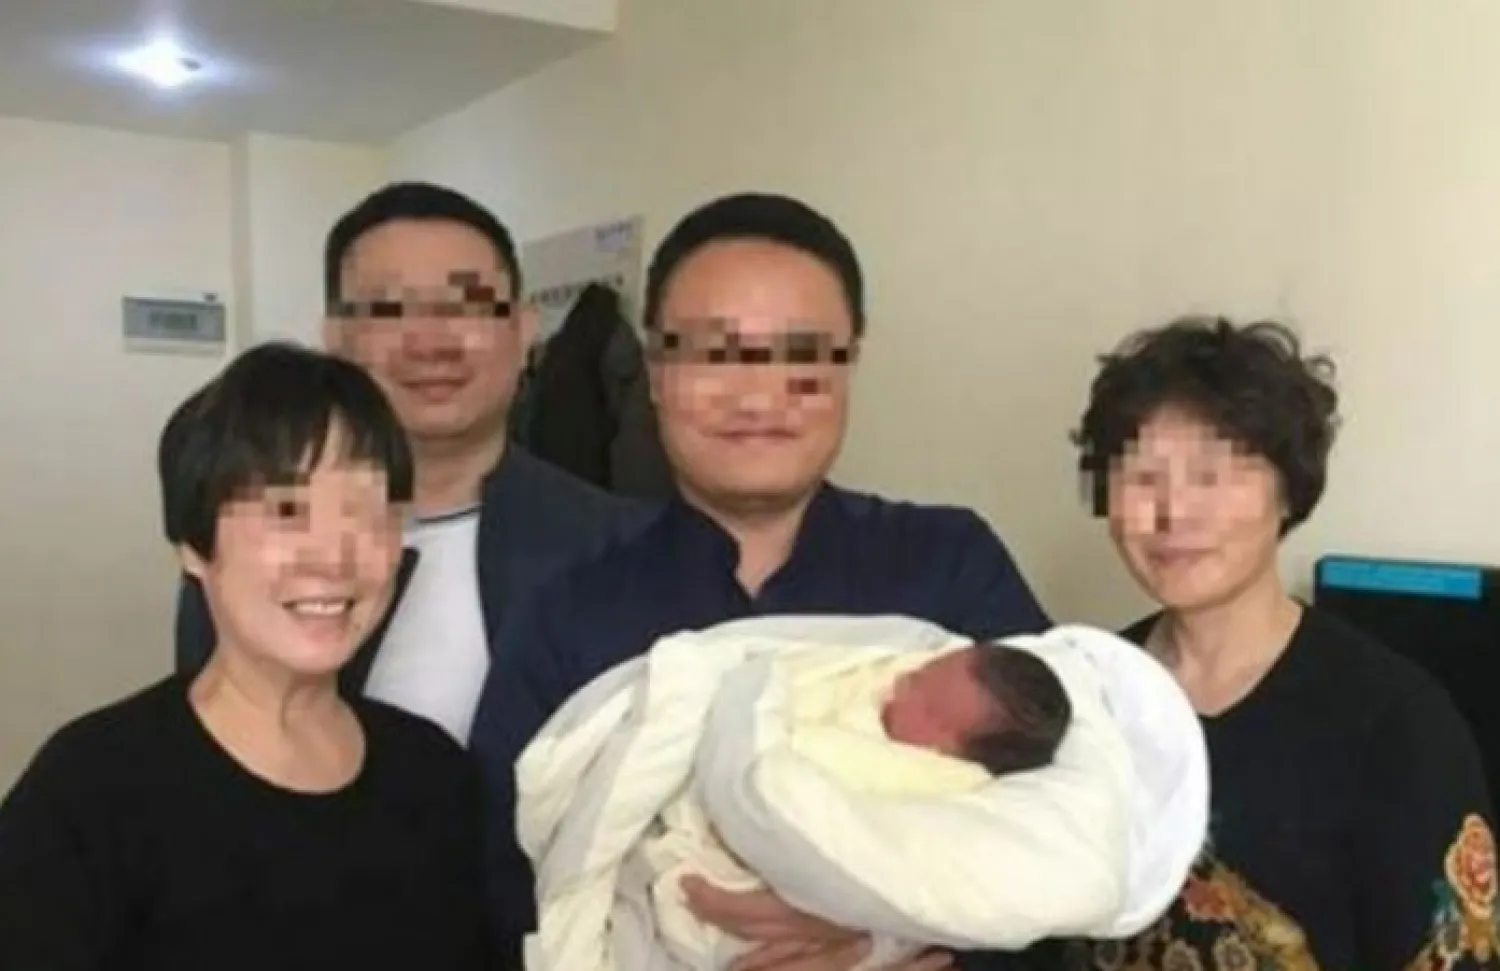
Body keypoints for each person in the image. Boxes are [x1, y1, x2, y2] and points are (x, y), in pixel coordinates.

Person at [472, 192, 1052, 971]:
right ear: (654, 373)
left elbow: (1069, 835)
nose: (757, 395)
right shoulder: (569, 607)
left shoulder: (950, 566)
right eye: (715, 352)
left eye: (801, 353)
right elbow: (500, 884)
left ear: (850, 363)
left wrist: (888, 938)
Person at [0, 343, 496, 970]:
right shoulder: (90, 794)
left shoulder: (434, 775)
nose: (334, 557)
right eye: (287, 511)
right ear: (193, 544)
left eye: (371, 513)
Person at [1062, 316, 1500, 970]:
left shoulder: (1397, 726)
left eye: (1211, 475)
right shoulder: (1081, 692)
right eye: (1141, 475)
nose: (1172, 511)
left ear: (1287, 489)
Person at [175, 181, 646, 745]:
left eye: (467, 304)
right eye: (389, 308)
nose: (430, 341)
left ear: (523, 332)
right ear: (336, 339)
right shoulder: (250, 539)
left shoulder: (623, 546)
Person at [517, 617, 1208, 971]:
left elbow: (988, 902)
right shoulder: (576, 593)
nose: (899, 683)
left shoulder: (956, 560)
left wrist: (874, 926)